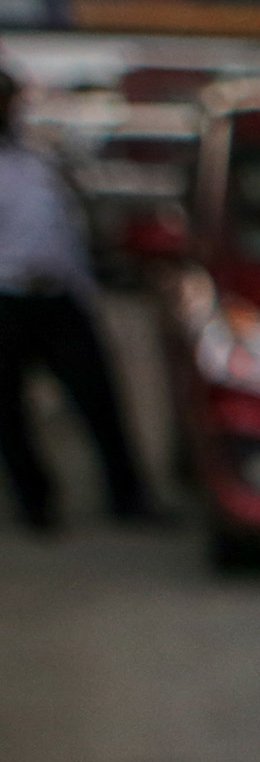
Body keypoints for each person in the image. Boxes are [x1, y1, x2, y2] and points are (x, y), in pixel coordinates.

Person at [0, 68, 160, 533]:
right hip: (6, 300)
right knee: (10, 413)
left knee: (98, 398)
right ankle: (36, 504)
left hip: (58, 296)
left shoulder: (36, 162)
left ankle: (127, 496)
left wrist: (84, 283)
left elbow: (64, 228)